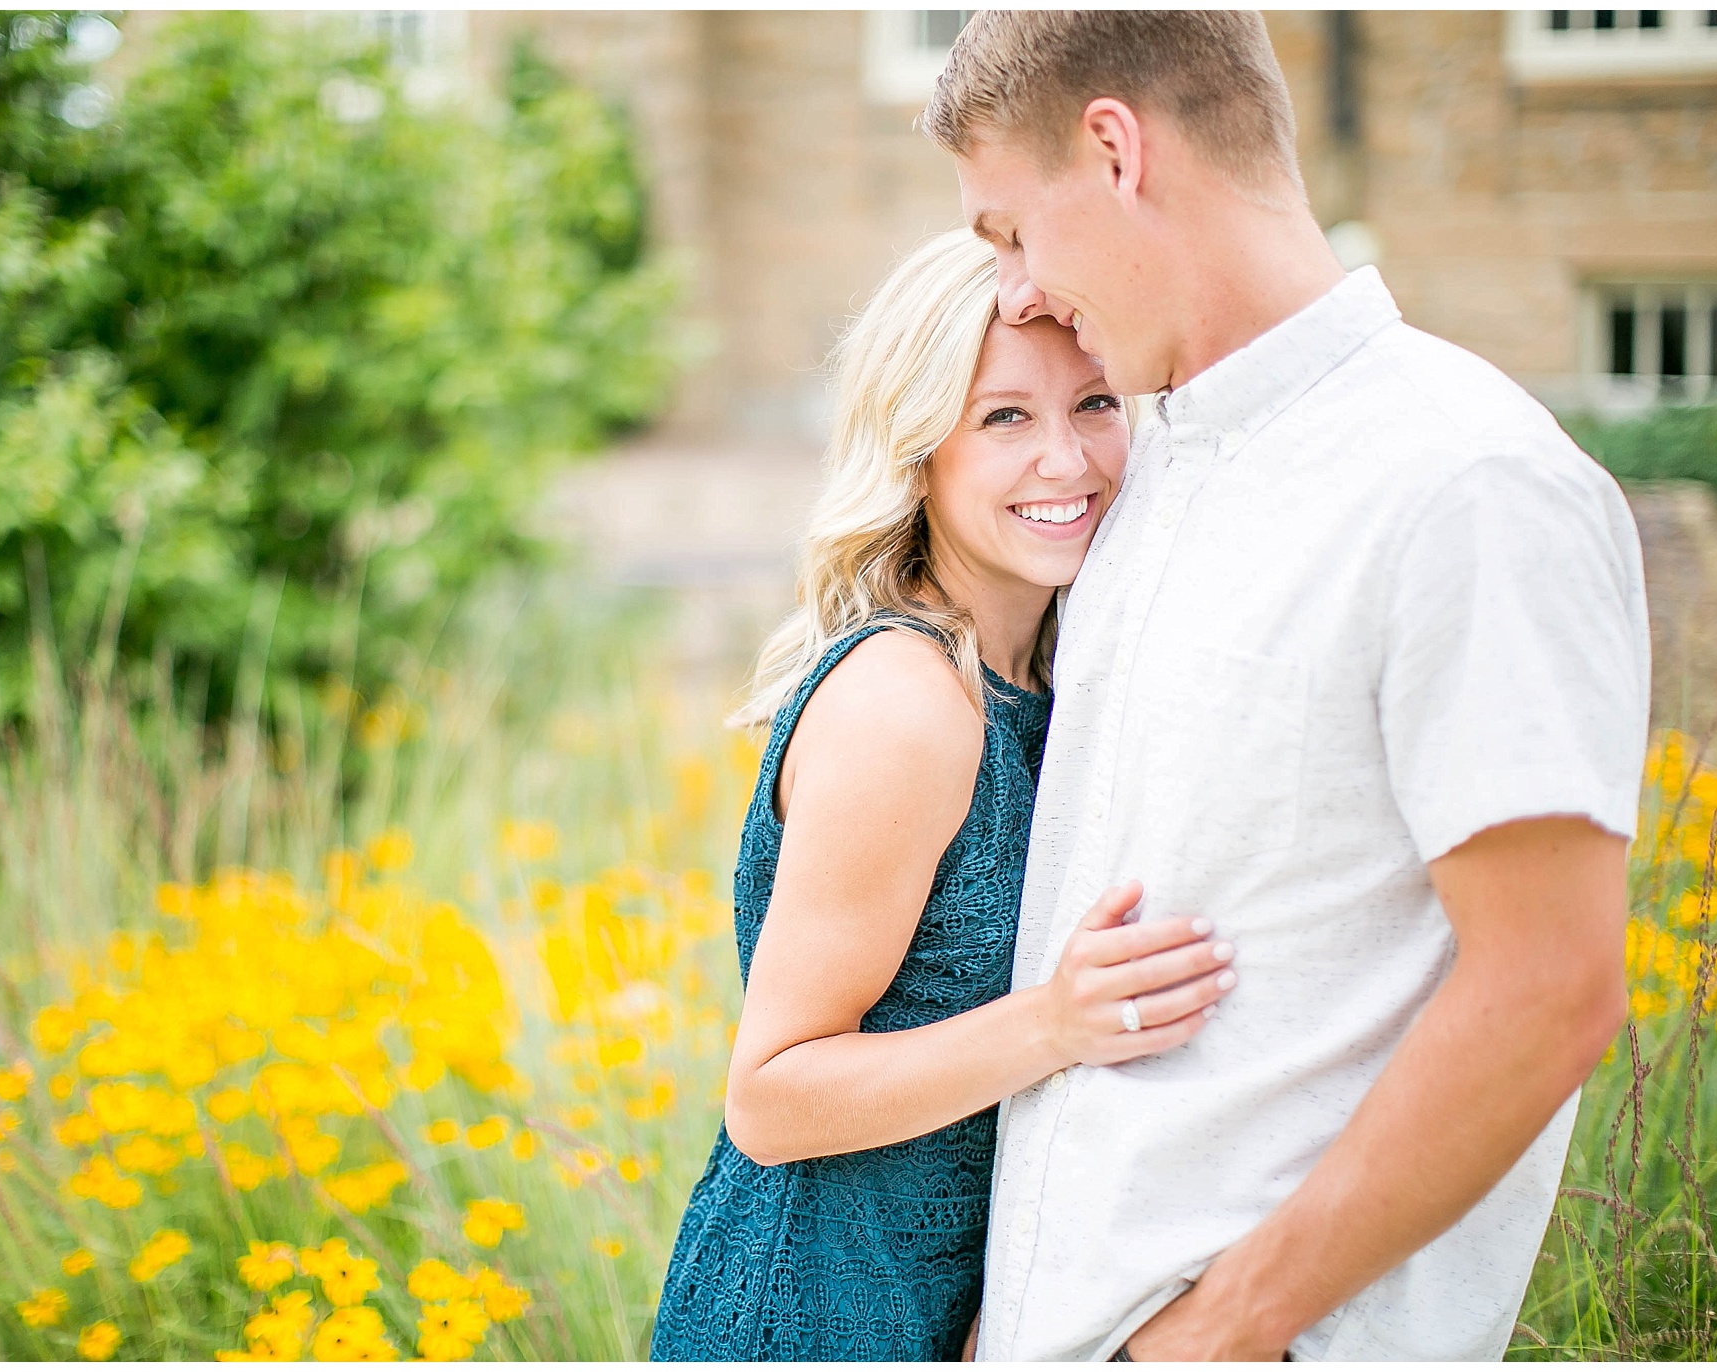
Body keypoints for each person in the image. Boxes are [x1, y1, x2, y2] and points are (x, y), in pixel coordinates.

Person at [919, 11, 1651, 1362]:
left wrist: (1222, 1329)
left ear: (1115, 150)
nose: (1017, 294)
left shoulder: (1465, 486)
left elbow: (1552, 987)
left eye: (1013, 234)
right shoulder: (1146, 478)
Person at [648, 228, 1241, 1361]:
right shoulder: (905, 703)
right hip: (810, 1317)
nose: (1065, 461)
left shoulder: (1051, 680)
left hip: (951, 1313)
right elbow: (769, 1098)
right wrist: (1054, 1025)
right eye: (1003, 417)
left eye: (1095, 405)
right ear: (918, 449)